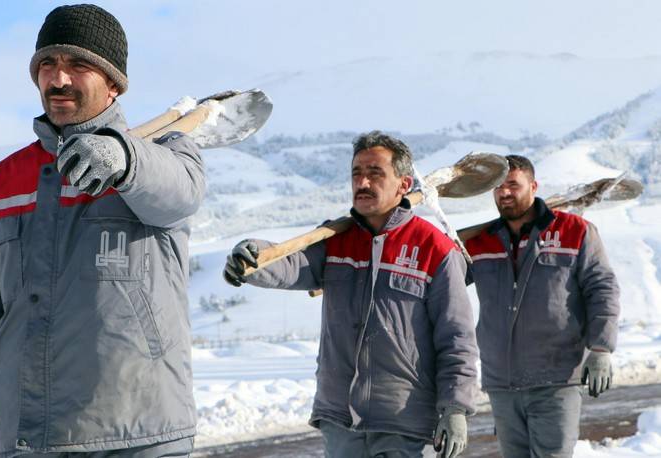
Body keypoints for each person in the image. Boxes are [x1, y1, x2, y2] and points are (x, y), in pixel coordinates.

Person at [0, 4, 205, 457]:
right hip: (34, 439)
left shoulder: (165, 154)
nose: (59, 79)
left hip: (140, 436)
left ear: (114, 83)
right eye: (48, 65)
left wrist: (124, 158)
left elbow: (180, 194)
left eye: (79, 65)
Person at [224, 131, 479, 458]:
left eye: (375, 174)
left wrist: (455, 407)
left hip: (403, 420)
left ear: (403, 184)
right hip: (340, 417)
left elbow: (456, 336)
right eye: (357, 173)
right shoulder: (335, 239)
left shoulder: (434, 248)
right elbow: (290, 263)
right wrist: (252, 256)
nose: (363, 183)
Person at [464, 155, 620, 458]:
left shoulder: (576, 231)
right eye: (497, 187)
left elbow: (603, 290)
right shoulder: (479, 242)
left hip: (556, 379)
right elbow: (443, 282)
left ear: (533, 186)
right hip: (502, 383)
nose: (504, 192)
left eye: (512, 184)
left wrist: (601, 348)